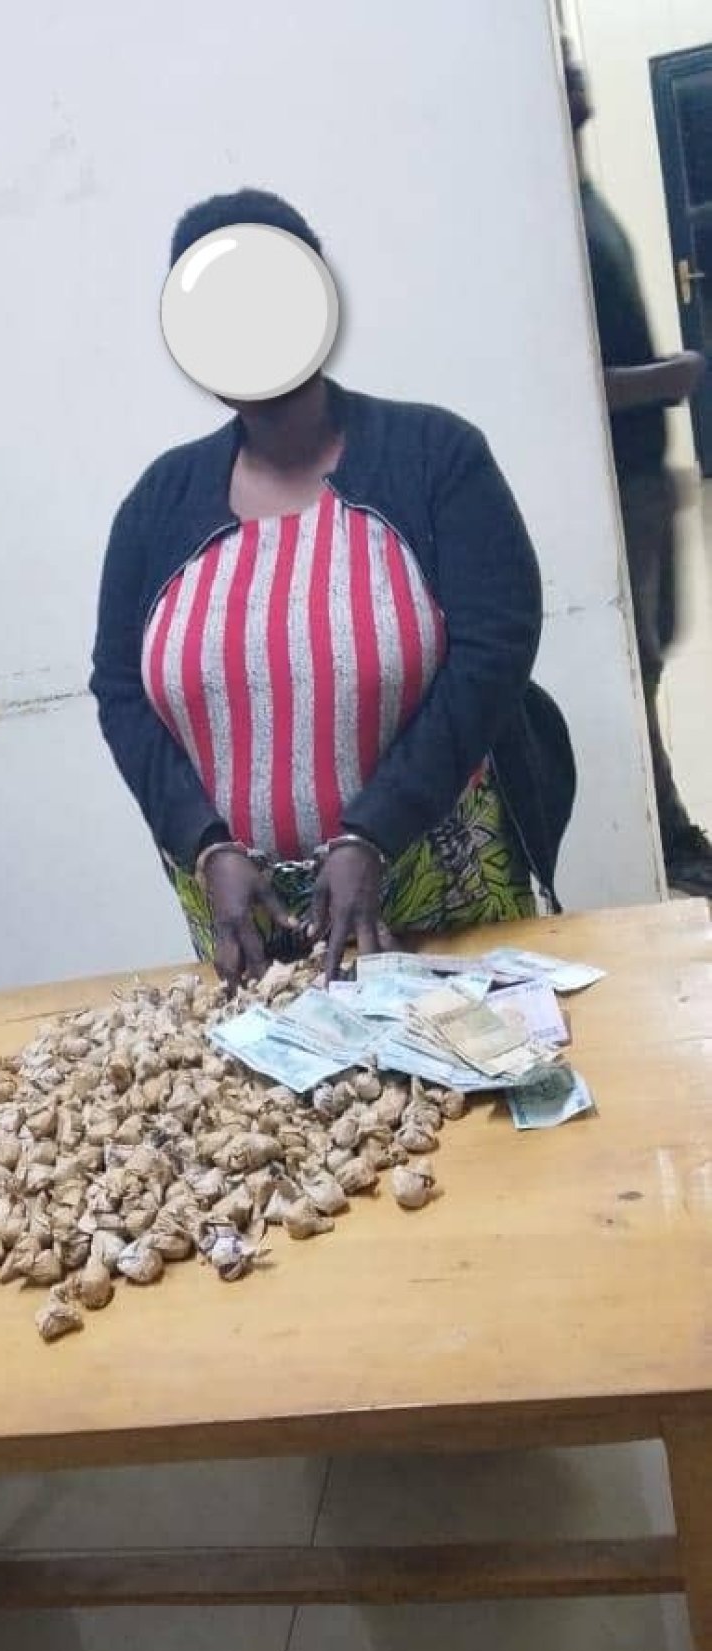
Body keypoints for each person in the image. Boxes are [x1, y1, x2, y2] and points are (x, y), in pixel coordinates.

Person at [91, 188, 575, 987]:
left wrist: (375, 831)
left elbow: (496, 648)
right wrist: (204, 845)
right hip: (247, 928)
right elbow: (118, 688)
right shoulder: (158, 503)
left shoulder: (435, 456)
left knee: (462, 1065)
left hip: (442, 897)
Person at [563, 42, 712, 898]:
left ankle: (675, 830)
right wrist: (671, 377)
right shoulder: (559, 221)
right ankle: (671, 842)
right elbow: (568, 378)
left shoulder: (588, 203)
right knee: (638, 662)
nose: (578, 76)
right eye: (563, 69)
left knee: (656, 649)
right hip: (614, 478)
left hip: (645, 477)